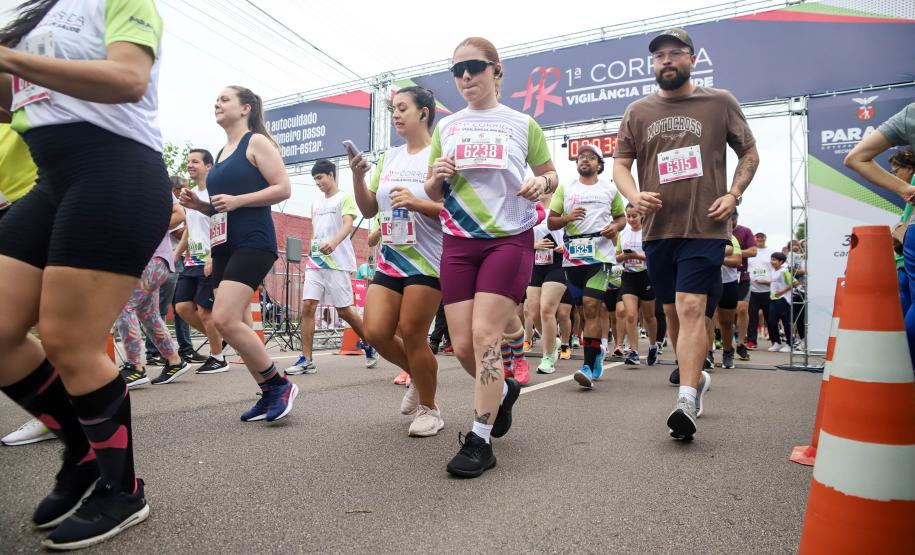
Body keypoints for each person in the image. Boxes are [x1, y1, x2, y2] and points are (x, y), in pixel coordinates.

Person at [0, 0, 167, 547]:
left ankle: (123, 489)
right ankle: (84, 452)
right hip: (52, 178)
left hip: (116, 170)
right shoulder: (31, 16)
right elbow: (14, 103)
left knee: (69, 341)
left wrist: (10, 58)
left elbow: (128, 79)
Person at [613, 27, 759, 440]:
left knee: (693, 306)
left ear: (692, 60)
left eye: (676, 53)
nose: (667, 60)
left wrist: (734, 194)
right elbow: (621, 165)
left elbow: (749, 151)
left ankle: (687, 397)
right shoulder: (637, 112)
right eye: (659, 56)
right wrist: (633, 195)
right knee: (673, 313)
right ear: (653, 64)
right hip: (659, 231)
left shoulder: (719, 102)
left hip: (706, 225)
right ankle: (695, 374)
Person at [425, 37, 558, 478]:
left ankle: (480, 440)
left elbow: (550, 175)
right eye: (458, 70)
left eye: (475, 68)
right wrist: (437, 177)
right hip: (459, 241)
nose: (466, 77)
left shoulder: (522, 123)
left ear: (497, 71)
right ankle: (503, 393)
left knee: (485, 336)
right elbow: (431, 189)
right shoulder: (447, 127)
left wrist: (543, 185)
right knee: (461, 345)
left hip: (508, 238)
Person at [180, 85, 297, 422]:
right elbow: (219, 209)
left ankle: (279, 385)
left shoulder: (255, 142)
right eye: (215, 99)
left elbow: (283, 188)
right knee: (237, 325)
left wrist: (238, 201)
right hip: (224, 246)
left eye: (224, 99)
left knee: (224, 319)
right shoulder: (222, 151)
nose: (217, 103)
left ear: (245, 108)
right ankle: (267, 392)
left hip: (253, 240)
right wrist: (200, 205)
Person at [349, 85, 445, 437]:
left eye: (403, 107)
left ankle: (430, 409)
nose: (395, 114)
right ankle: (421, 379)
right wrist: (358, 177)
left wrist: (418, 204)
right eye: (392, 109)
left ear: (424, 112)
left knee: (413, 332)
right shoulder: (390, 157)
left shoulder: (440, 154)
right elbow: (369, 208)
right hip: (391, 256)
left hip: (428, 259)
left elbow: (455, 211)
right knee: (374, 331)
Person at [286, 159, 377, 374]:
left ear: (331, 175)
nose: (317, 182)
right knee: (308, 306)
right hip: (316, 263)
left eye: (320, 177)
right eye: (315, 179)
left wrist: (334, 243)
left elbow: (348, 224)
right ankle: (306, 359)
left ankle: (370, 342)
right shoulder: (316, 204)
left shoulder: (344, 198)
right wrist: (311, 251)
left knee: (344, 311)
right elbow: (314, 231)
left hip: (337, 262)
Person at [548, 144, 625, 389]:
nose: (585, 160)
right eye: (582, 157)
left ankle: (588, 367)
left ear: (599, 164)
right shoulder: (566, 188)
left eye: (591, 157)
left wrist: (616, 227)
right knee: (581, 311)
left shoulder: (610, 189)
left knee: (592, 307)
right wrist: (567, 218)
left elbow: (621, 218)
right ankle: (597, 352)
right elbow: (551, 222)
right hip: (574, 258)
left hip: (600, 257)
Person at [115, 193, 190, 387]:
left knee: (124, 306)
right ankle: (175, 361)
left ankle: (135, 367)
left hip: (154, 259)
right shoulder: (117, 184)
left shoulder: (150, 177)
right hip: (140, 262)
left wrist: (145, 231)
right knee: (149, 315)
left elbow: (179, 214)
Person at [173, 149, 228, 374]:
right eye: (188, 161)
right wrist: (176, 254)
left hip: (211, 259)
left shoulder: (215, 193)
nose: (190, 165)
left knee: (206, 311)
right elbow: (189, 228)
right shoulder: (190, 194)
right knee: (182, 307)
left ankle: (218, 358)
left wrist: (212, 256)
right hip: (191, 261)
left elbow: (221, 225)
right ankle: (221, 339)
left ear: (208, 166)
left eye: (195, 161)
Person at [145, 177, 203, 366]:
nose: (186, 192)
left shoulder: (183, 207)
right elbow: (179, 232)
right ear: (174, 189)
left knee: (181, 307)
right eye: (183, 189)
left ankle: (185, 349)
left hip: (176, 260)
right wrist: (193, 224)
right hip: (164, 259)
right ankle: (154, 351)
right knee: (157, 308)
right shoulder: (166, 205)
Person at [526, 192, 567, 374]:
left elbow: (574, 233)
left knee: (546, 310)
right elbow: (518, 237)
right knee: (533, 312)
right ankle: (554, 340)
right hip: (535, 263)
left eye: (544, 186)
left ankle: (548, 357)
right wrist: (533, 245)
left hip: (558, 263)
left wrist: (565, 246)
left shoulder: (560, 209)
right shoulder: (528, 210)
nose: (540, 191)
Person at [616, 204, 658, 366]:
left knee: (648, 316)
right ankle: (633, 351)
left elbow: (653, 257)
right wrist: (622, 257)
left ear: (642, 216)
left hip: (646, 276)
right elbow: (617, 255)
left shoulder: (648, 232)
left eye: (634, 216)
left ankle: (653, 345)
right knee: (631, 314)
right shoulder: (623, 234)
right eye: (628, 216)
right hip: (629, 276)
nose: (631, 219)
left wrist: (637, 256)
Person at [730, 211, 756, 360]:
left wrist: (736, 253)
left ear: (736, 218)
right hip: (722, 276)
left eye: (733, 219)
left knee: (742, 308)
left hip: (742, 276)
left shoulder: (745, 231)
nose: (730, 222)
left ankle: (741, 343)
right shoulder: (717, 230)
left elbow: (753, 251)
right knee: (722, 312)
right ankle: (718, 340)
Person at [714, 236, 743, 368]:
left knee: (726, 322)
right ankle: (708, 353)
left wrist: (717, 259)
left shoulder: (731, 238)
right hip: (708, 281)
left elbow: (737, 261)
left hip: (728, 283)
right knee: (706, 319)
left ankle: (727, 351)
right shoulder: (702, 234)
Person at [746, 231, 774, 349]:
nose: (760, 239)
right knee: (752, 317)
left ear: (765, 238)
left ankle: (775, 340)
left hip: (768, 289)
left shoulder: (771, 252)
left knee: (770, 317)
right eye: (757, 237)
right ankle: (752, 341)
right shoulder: (750, 251)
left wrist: (770, 281)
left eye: (762, 237)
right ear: (754, 238)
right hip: (752, 290)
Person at [764, 252, 796, 353]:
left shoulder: (783, 271)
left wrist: (782, 291)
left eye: (774, 260)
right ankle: (777, 343)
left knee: (785, 322)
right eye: (771, 259)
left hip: (783, 299)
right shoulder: (774, 271)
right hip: (774, 299)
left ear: (781, 261)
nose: (772, 262)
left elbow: (795, 282)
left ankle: (789, 344)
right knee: (771, 321)